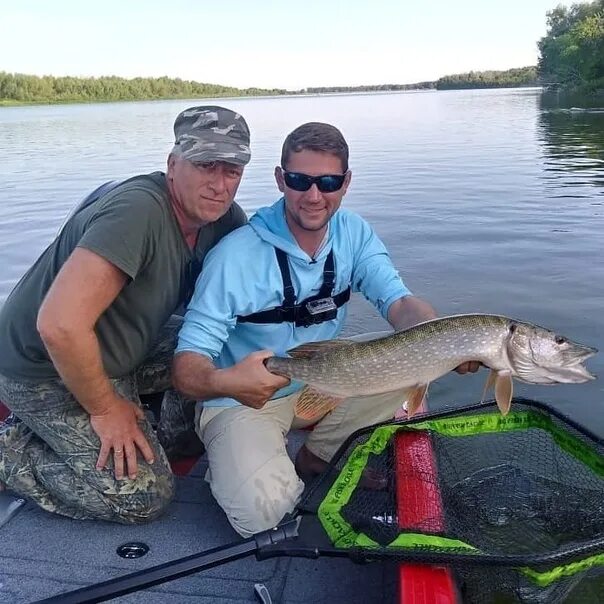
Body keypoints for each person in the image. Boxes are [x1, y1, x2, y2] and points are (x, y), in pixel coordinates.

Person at [171, 121, 480, 537]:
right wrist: (228, 380)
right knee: (263, 513)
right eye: (300, 181)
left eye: (328, 182)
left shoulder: (354, 233)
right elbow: (187, 366)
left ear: (346, 182)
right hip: (242, 399)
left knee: (412, 358)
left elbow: (400, 303)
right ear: (281, 179)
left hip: (323, 381)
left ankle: (318, 455)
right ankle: (235, 465)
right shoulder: (234, 257)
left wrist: (445, 337)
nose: (314, 196)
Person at [0, 105, 251, 523]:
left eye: (232, 171)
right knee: (143, 497)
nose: (219, 185)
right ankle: (11, 454)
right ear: (173, 164)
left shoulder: (222, 222)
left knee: (216, 348)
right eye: (206, 165)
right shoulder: (138, 212)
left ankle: (159, 432)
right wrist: (104, 409)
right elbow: (59, 325)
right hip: (44, 366)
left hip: (121, 349)